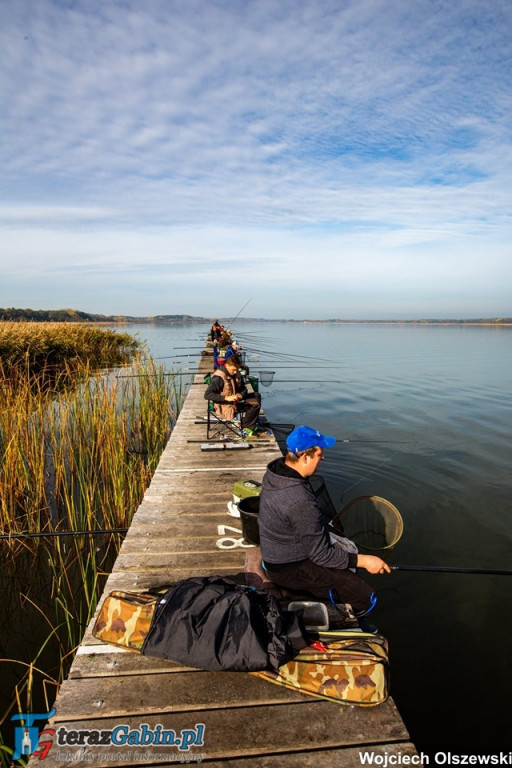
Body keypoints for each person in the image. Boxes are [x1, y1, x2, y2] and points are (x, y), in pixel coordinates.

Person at [258, 425, 390, 623]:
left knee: (341, 559)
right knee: (365, 596)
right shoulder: (298, 499)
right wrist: (365, 561)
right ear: (304, 457)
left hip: (277, 552)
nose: (323, 458)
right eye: (320, 454)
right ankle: (340, 621)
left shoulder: (276, 471)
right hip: (287, 568)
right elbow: (321, 555)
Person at [204, 355, 261, 434]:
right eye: (233, 369)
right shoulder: (219, 378)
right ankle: (247, 426)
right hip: (225, 404)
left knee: (256, 395)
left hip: (236, 400)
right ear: (226, 365)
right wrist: (226, 398)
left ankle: (248, 421)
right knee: (255, 405)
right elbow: (207, 394)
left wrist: (241, 394)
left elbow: (244, 389)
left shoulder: (236, 373)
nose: (235, 372)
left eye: (236, 369)